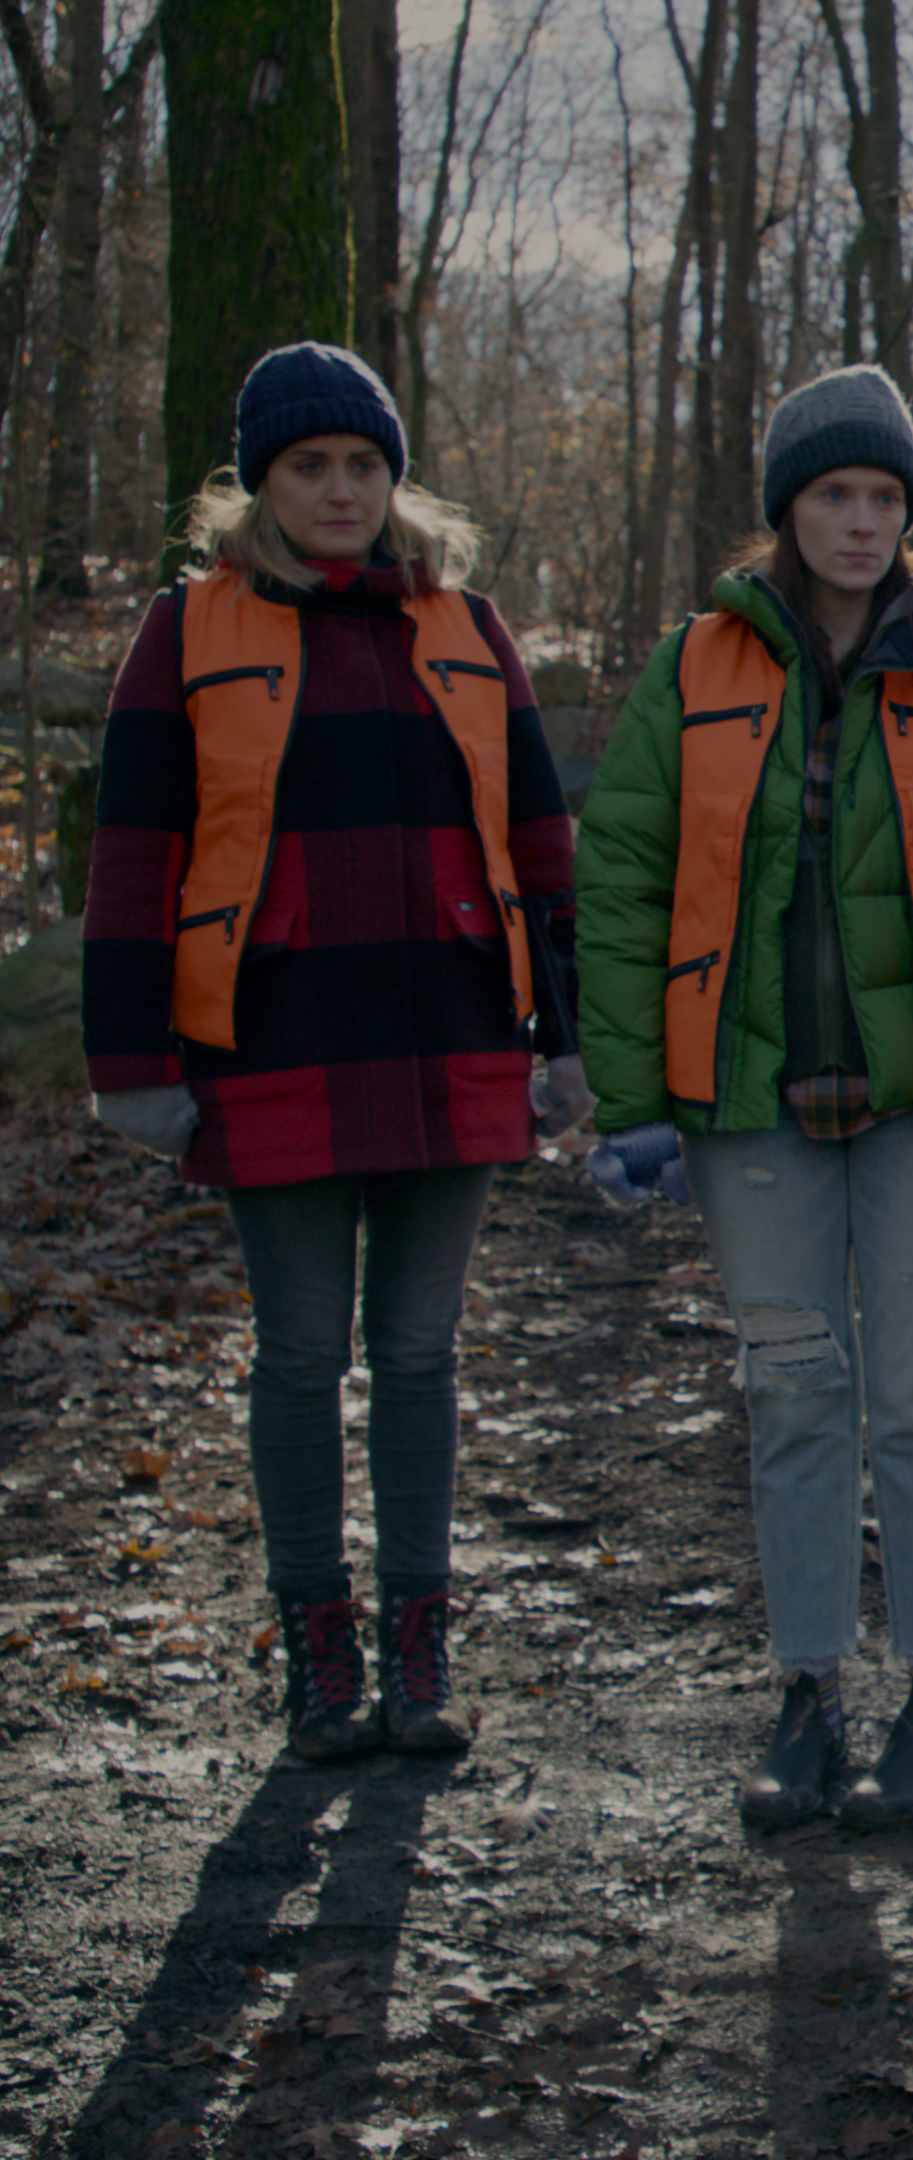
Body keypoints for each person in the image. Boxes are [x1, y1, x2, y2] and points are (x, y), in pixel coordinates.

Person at [573, 365, 913, 1833]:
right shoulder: (699, 667)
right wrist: (630, 1097)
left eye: (885, 498)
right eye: (834, 495)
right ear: (789, 506)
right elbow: (623, 881)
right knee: (792, 1396)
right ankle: (806, 1692)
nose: (860, 522)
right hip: (749, 1126)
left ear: (910, 513)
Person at [81, 341, 580, 1762]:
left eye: (364, 464)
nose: (342, 490)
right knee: (302, 1354)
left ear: (394, 478)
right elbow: (134, 861)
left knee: (419, 1352)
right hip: (273, 1034)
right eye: (311, 467)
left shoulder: (467, 627)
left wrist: (567, 1035)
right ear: (260, 483)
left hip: (454, 1026)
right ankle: (322, 1652)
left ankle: (423, 1648)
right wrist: (131, 1062)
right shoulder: (187, 632)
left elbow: (543, 847)